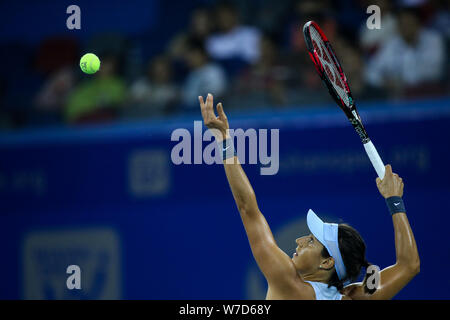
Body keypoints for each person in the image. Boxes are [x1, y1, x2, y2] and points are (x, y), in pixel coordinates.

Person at [198, 93, 420, 300]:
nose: (300, 240)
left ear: (327, 262)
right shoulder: (355, 295)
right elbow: (409, 266)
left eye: (312, 241)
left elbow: (248, 208)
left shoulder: (287, 282)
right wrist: (394, 200)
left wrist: (224, 139)